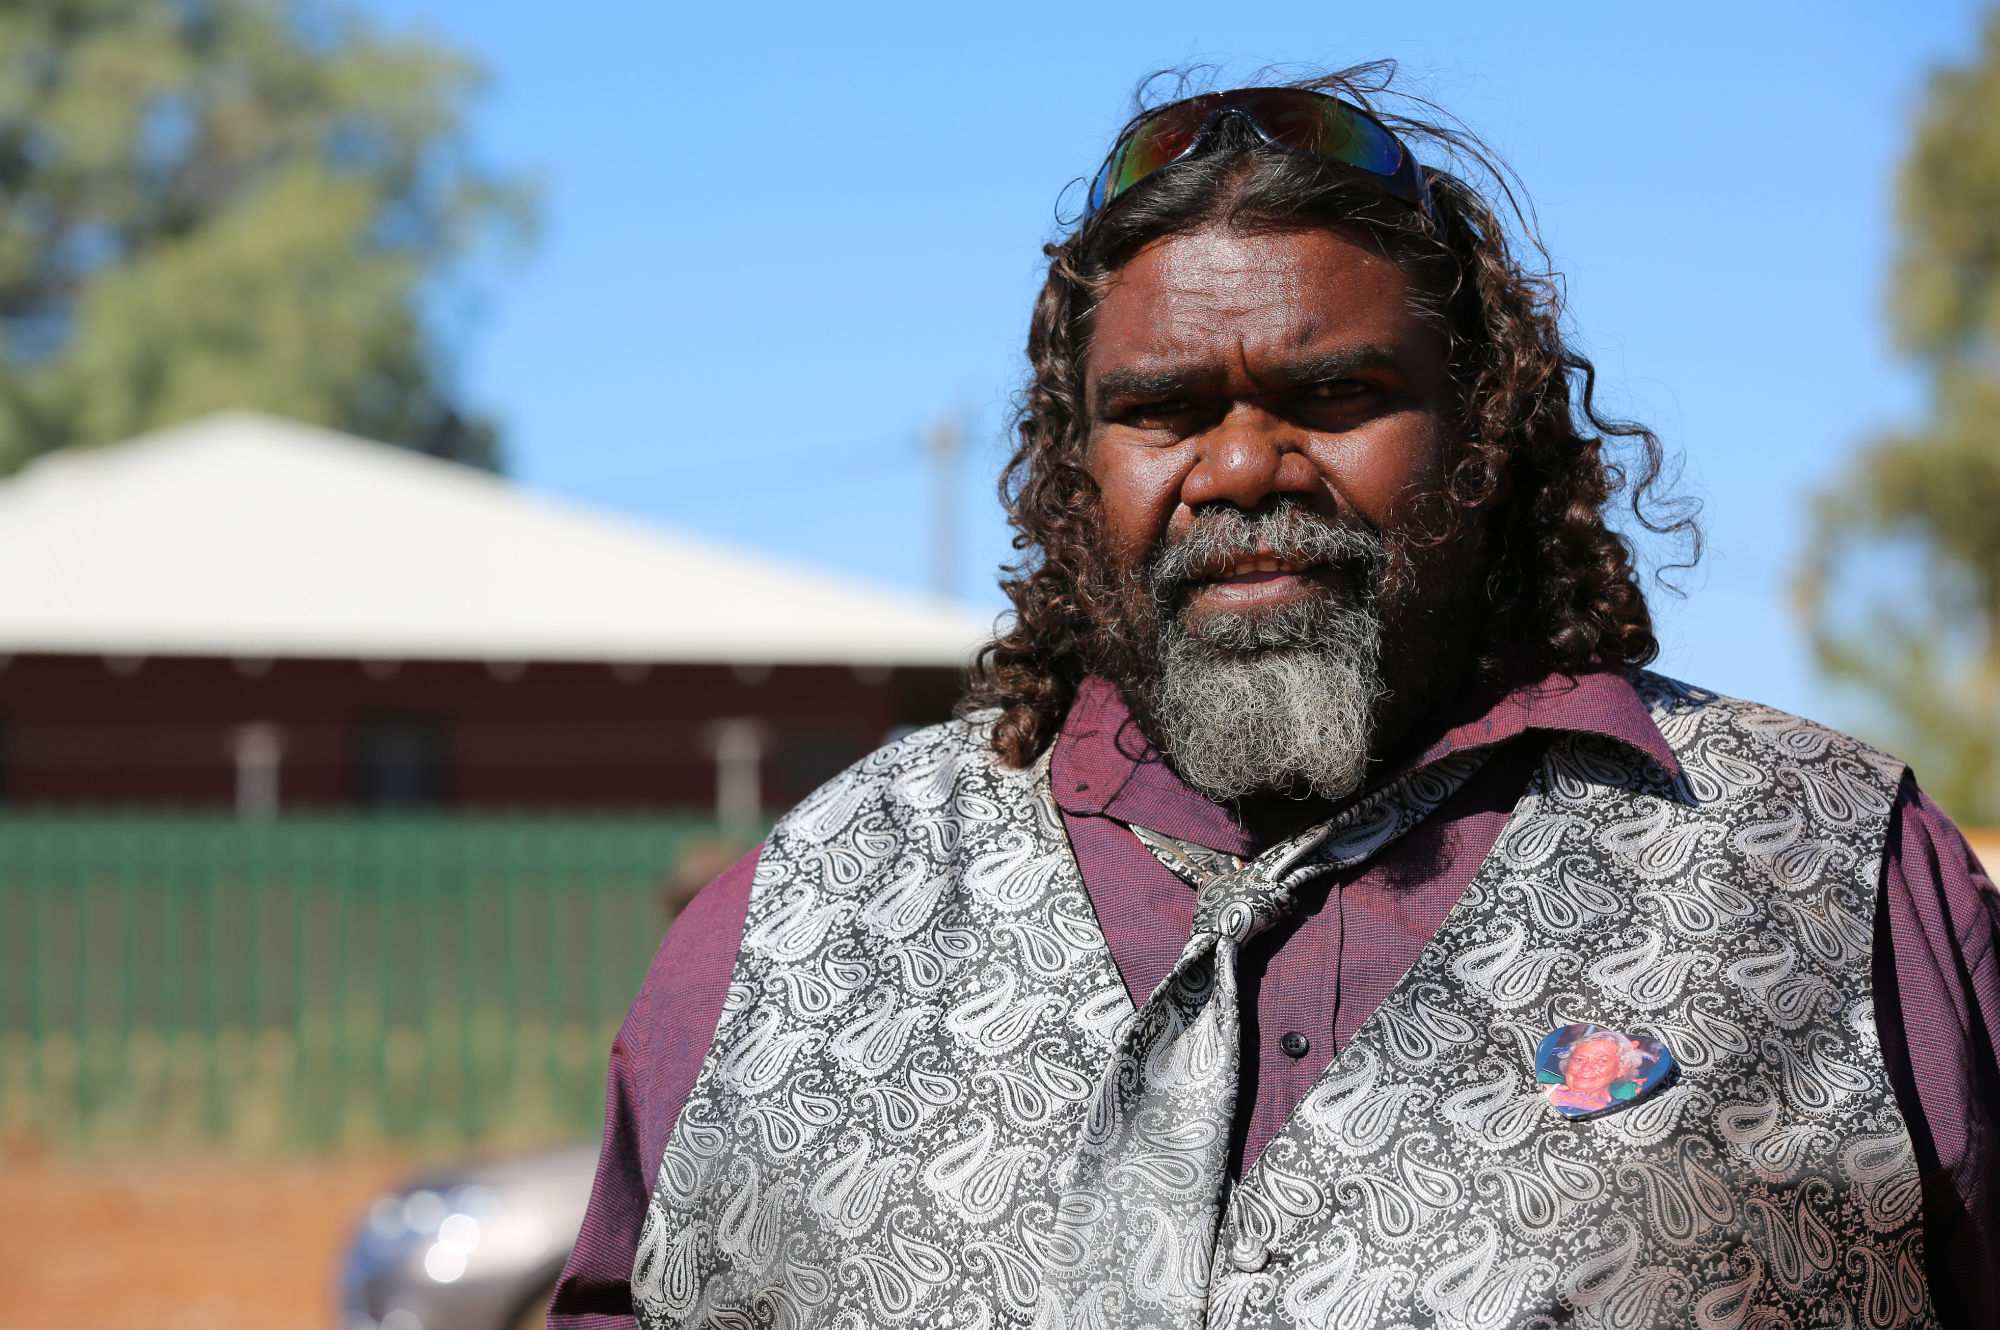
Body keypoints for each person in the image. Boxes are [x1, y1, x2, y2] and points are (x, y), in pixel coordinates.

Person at [550, 66, 1998, 1330]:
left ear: (1482, 431)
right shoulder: (798, 924)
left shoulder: (1820, 878)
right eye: (1164, 411)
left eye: (1335, 394)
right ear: (1077, 462)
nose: (1244, 467)